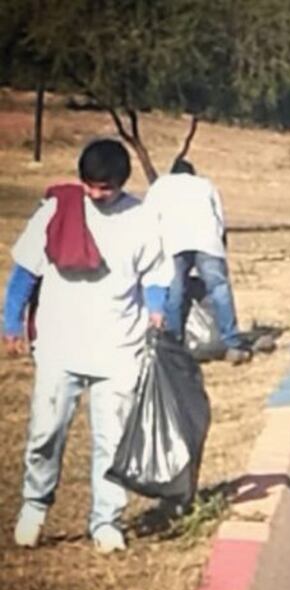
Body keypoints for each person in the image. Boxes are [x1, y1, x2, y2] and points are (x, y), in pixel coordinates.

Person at [2, 139, 172, 552]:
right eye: (90, 186)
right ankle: (35, 506)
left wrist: (155, 309)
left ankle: (106, 521)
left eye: (105, 188)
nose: (96, 195)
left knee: (111, 440)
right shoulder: (57, 210)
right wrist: (10, 323)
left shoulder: (142, 218)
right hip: (60, 344)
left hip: (119, 348)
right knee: (46, 432)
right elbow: (25, 272)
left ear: (121, 184)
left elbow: (155, 274)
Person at [142, 158, 251, 364]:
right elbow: (219, 220)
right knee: (219, 289)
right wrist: (221, 247)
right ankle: (232, 342)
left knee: (175, 293)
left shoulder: (160, 186)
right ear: (192, 173)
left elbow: (148, 219)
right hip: (207, 240)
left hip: (173, 242)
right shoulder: (205, 184)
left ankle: (174, 344)